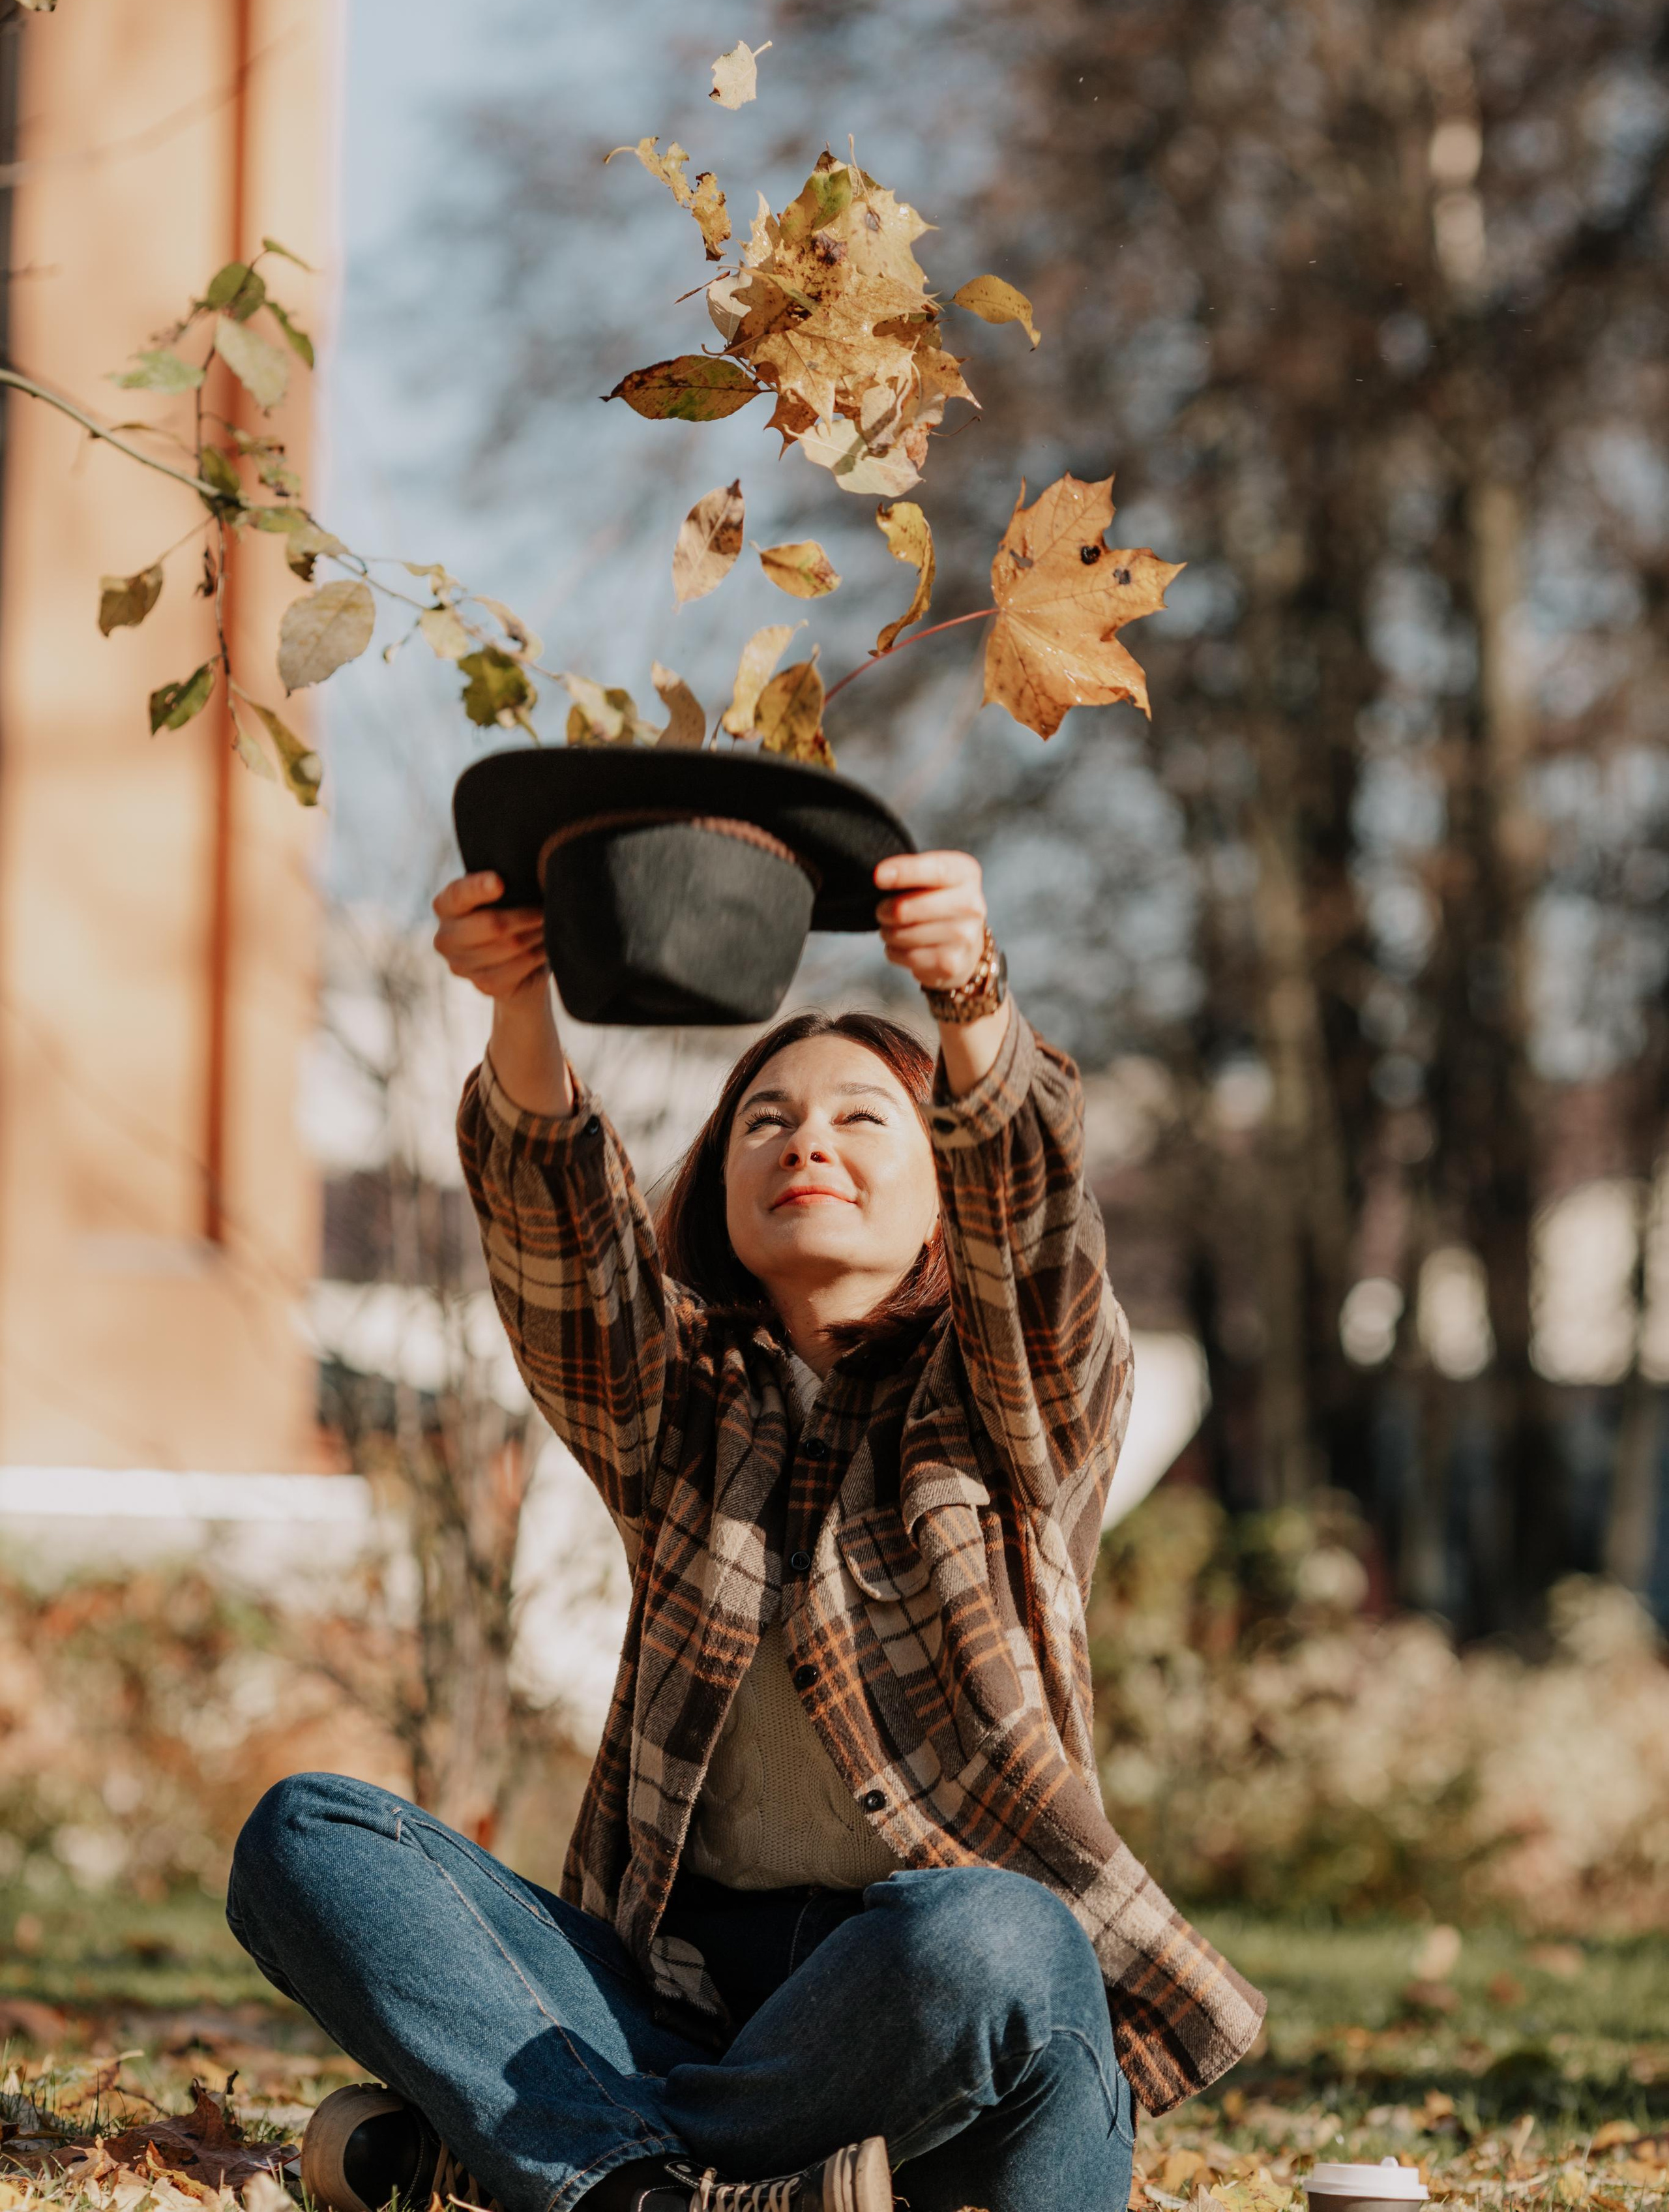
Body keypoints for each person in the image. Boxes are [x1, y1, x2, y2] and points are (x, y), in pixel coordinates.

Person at [227, 846, 1263, 2212]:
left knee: (997, 1932)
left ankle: (543, 2160)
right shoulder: (682, 1421)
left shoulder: (1018, 1414)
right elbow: (563, 1266)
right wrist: (521, 1000)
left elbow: (1037, 1249)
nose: (805, 1142)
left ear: (940, 1181)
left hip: (937, 2026)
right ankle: (646, 2191)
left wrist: (967, 999)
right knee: (310, 1838)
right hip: (680, 2007)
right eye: (764, 1121)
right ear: (719, 1180)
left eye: (858, 1118)